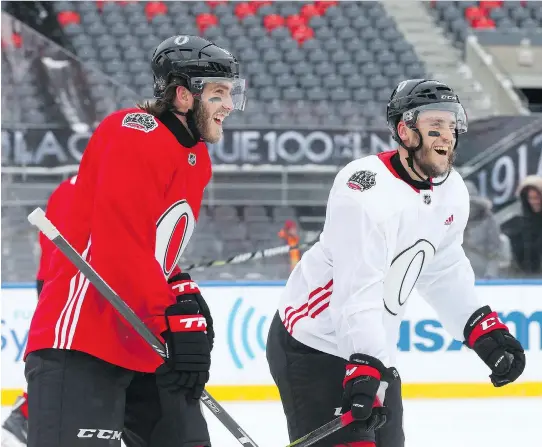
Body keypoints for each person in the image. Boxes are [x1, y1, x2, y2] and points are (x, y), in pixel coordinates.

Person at [266, 79, 526, 447]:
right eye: (434, 126)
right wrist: (366, 365)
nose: (446, 137)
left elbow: (442, 267)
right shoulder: (365, 192)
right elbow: (357, 290)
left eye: (451, 126)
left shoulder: (451, 190)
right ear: (405, 131)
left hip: (370, 348)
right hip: (314, 343)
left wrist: (480, 328)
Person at [23, 35, 245, 447]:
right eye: (218, 94)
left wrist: (181, 290)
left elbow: (153, 250)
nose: (229, 106)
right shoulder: (133, 131)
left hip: (141, 338)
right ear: (183, 95)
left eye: (230, 94)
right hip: (85, 339)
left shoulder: (196, 157)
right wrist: (170, 316)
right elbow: (118, 248)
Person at [2, 174, 77, 447]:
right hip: (71, 279)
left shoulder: (65, 187)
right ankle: (25, 415)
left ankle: (28, 414)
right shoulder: (97, 186)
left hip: (52, 276)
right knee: (71, 358)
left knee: (66, 356)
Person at [462, 180, 502, 278]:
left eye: (471, 203)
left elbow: (495, 251)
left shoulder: (488, 218)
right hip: (456, 276)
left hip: (483, 277)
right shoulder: (449, 219)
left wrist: (490, 275)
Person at [506, 175, 542, 275]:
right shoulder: (519, 225)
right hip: (527, 280)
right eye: (531, 198)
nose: (535, 202)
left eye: (538, 197)